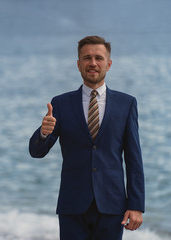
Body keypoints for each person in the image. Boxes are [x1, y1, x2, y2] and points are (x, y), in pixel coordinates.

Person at [29, 35, 145, 240]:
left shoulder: (126, 104)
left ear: (108, 64)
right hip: (72, 205)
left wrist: (136, 205)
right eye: (87, 58)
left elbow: (134, 159)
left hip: (112, 206)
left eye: (99, 58)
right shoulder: (61, 103)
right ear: (78, 64)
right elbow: (36, 152)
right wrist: (44, 132)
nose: (93, 63)